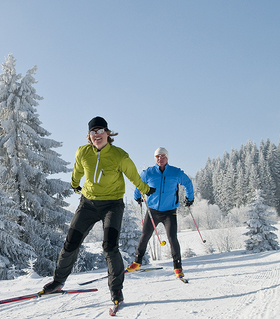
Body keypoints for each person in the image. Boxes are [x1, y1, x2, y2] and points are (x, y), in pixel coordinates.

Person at [41, 116, 154, 304]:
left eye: (100, 130)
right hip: (88, 204)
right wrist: (75, 184)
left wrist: (145, 189)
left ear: (108, 134)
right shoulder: (83, 152)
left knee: (109, 247)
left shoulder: (119, 155)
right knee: (71, 243)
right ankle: (58, 281)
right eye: (93, 132)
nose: (97, 135)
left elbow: (133, 175)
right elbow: (78, 170)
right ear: (89, 136)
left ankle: (116, 290)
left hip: (112, 205)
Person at [126, 147, 194, 280]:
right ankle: (137, 263)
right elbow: (138, 183)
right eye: (157, 156)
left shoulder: (175, 172)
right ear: (155, 158)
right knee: (145, 236)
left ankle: (178, 267)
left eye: (162, 156)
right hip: (153, 211)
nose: (160, 159)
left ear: (167, 158)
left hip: (169, 212)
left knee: (172, 238)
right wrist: (137, 196)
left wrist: (189, 198)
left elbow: (187, 182)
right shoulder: (149, 172)